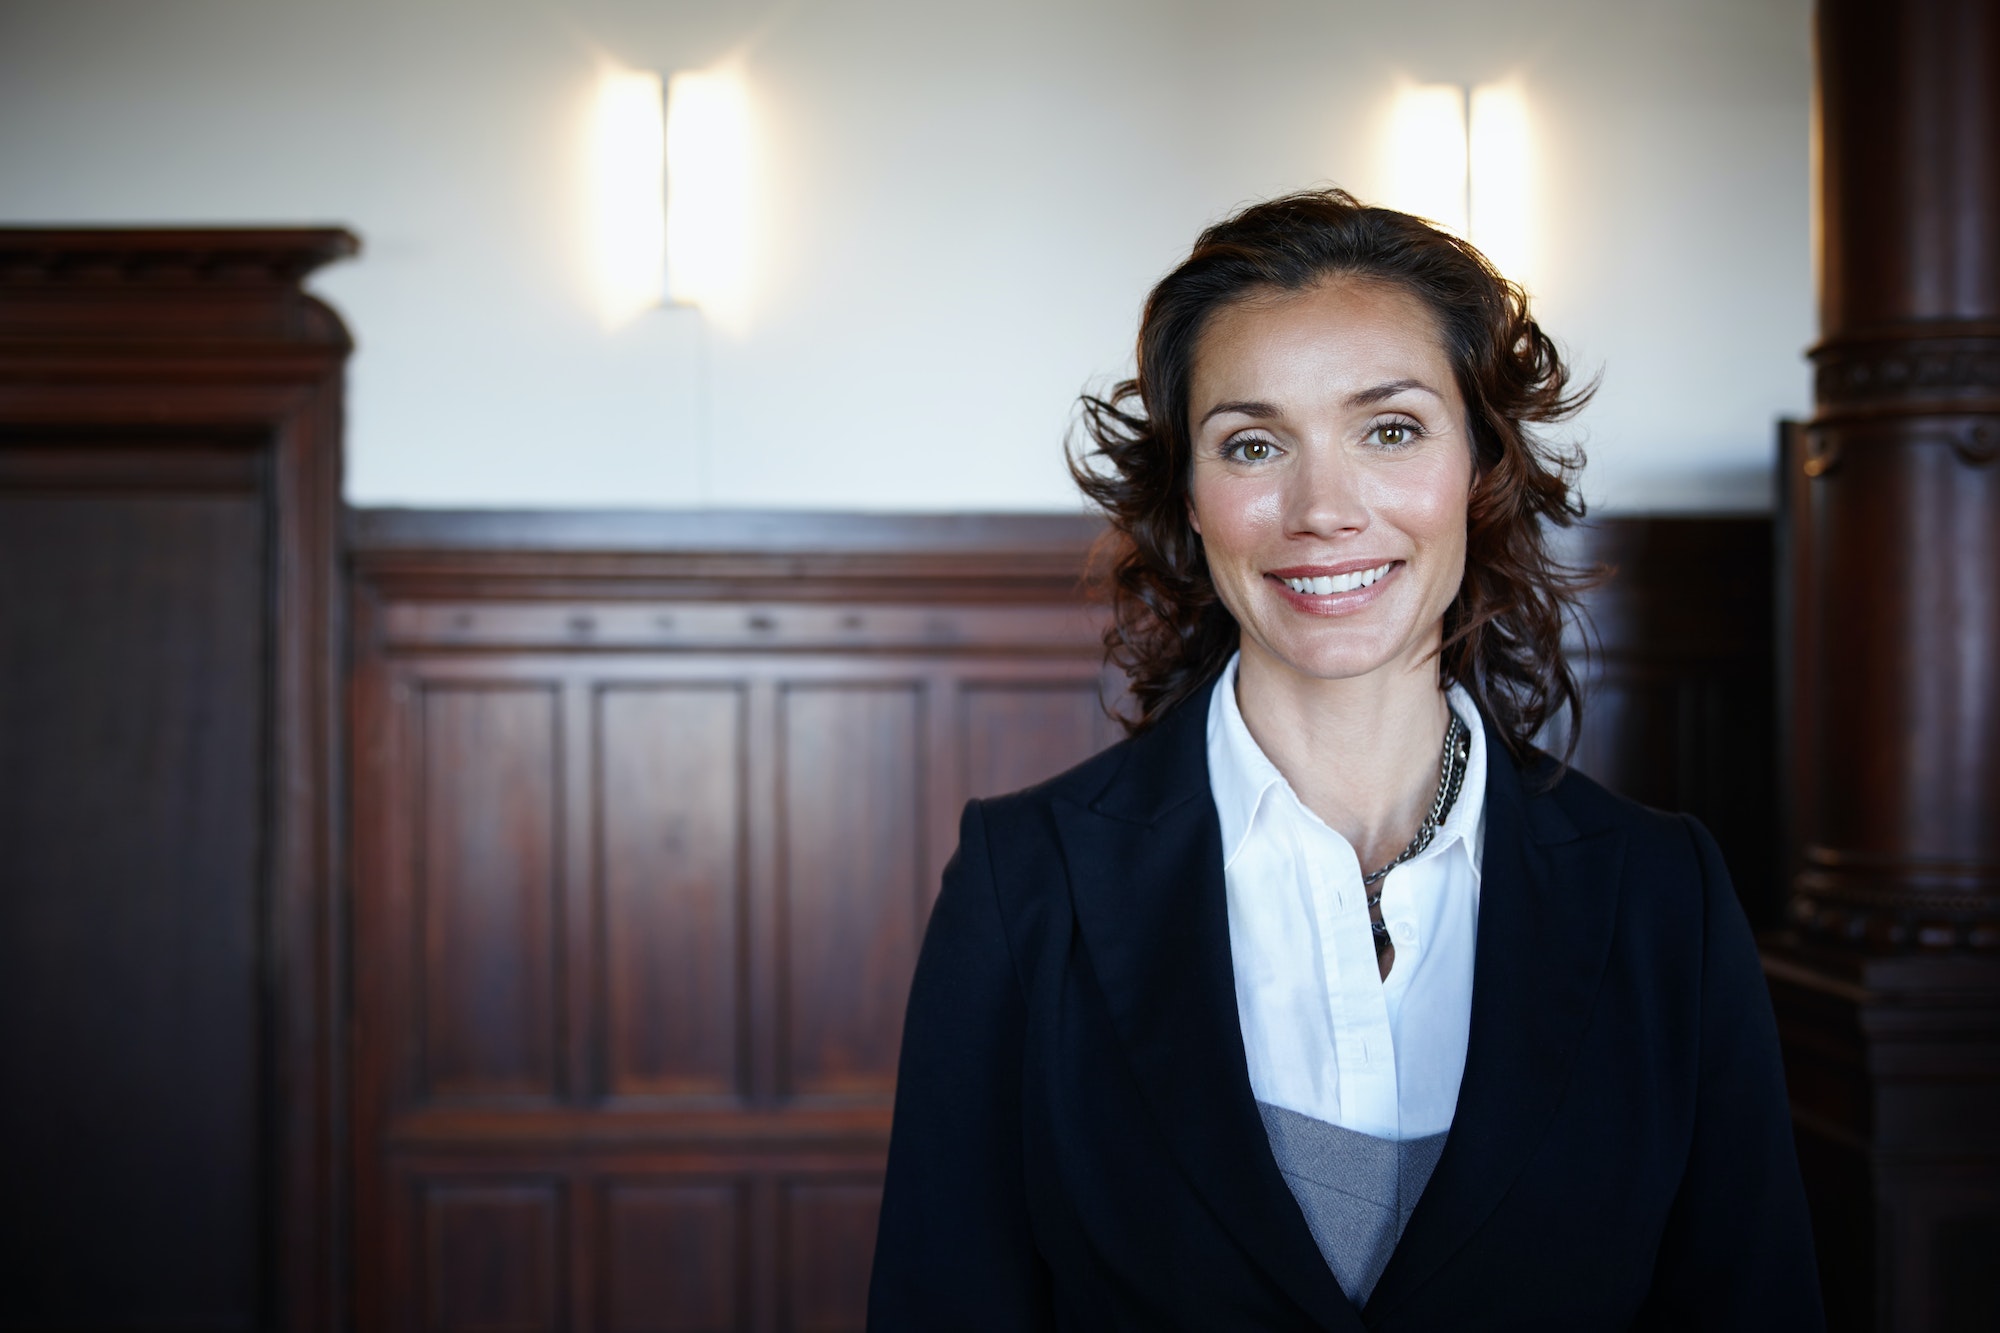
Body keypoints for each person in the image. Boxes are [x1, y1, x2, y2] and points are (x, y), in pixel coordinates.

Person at [866, 189, 1822, 1331]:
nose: (1322, 509)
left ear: (1479, 463)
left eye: (1389, 428)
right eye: (1254, 444)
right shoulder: (1021, 886)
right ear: (1188, 496)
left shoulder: (1667, 898)